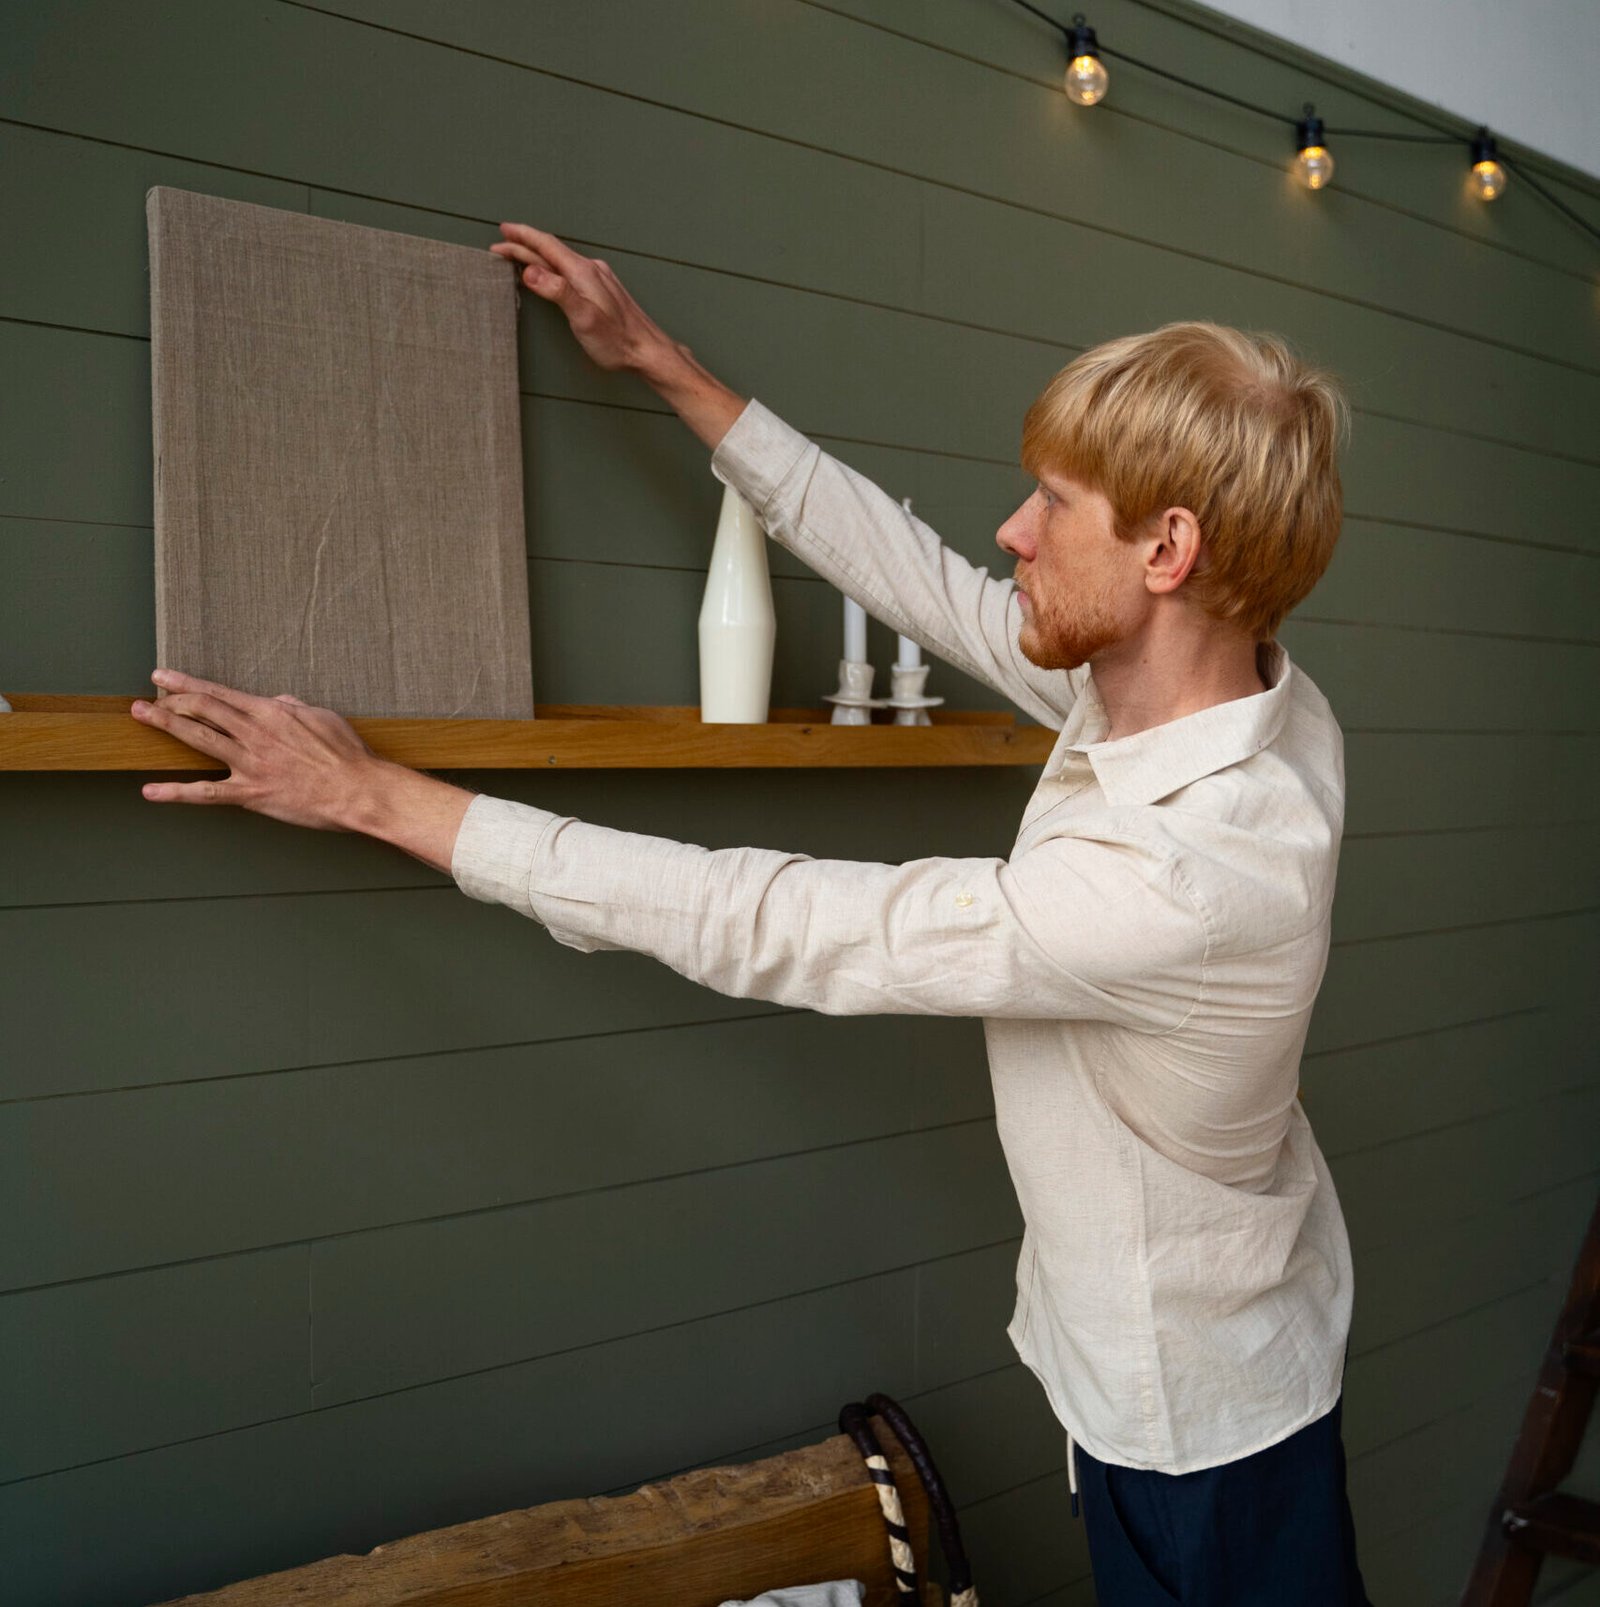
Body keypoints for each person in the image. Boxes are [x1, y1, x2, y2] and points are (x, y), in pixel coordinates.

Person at [133, 223, 1371, 1606]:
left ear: (1168, 548)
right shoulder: (1240, 689)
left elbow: (773, 918)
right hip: (1193, 1343)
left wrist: (376, 798)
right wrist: (659, 365)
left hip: (1198, 1419)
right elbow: (930, 585)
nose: (1012, 531)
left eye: (1053, 504)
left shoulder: (1188, 875)